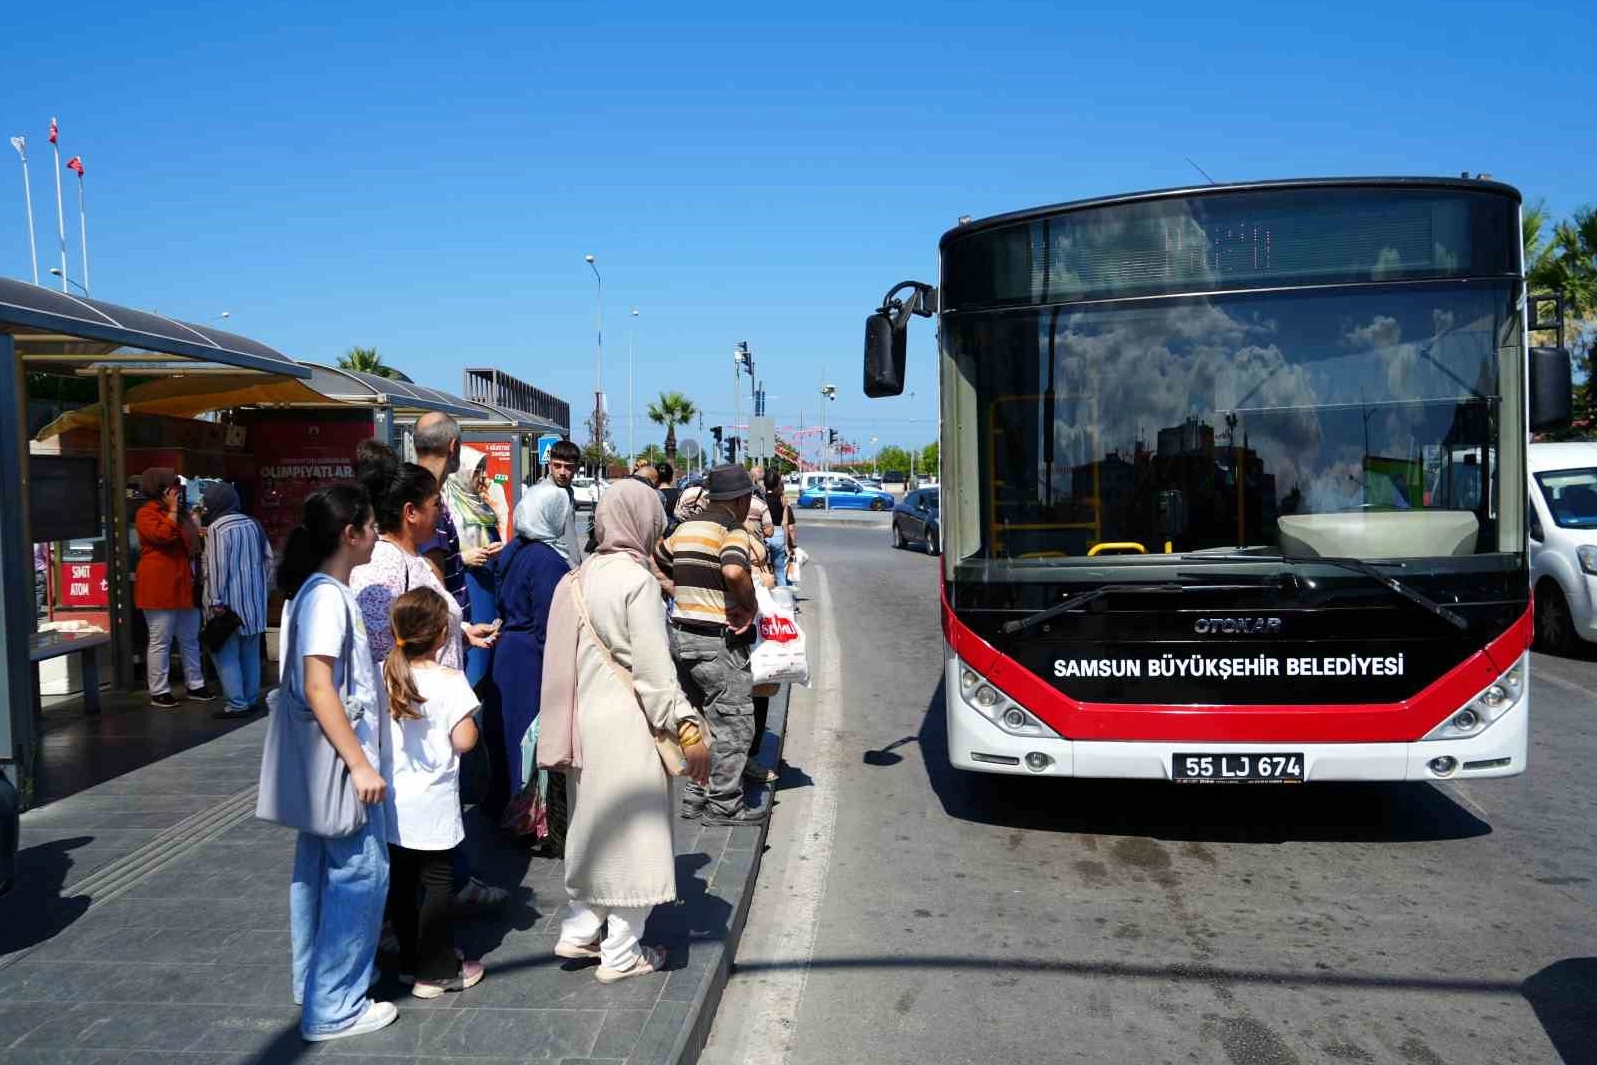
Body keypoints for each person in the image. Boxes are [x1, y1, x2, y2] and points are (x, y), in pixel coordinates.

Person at [545, 478, 711, 981]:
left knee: (596, 828)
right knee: (637, 837)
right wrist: (687, 729)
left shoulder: (577, 576)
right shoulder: (636, 581)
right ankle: (621, 953)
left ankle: (578, 931)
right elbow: (655, 674)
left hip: (584, 723)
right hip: (630, 724)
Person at [353, 445, 504, 912]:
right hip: (413, 719)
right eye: (435, 504)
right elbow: (384, 643)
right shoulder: (383, 565)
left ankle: (446, 887)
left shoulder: (412, 558)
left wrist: (461, 630)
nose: (442, 512)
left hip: (427, 713)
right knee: (419, 824)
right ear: (409, 512)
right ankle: (416, 918)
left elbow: (417, 618)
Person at [277, 484, 396, 1041]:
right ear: (350, 534)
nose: (377, 534)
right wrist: (360, 763)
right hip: (342, 765)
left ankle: (317, 988)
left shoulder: (311, 592)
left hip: (321, 767)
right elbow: (319, 683)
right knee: (360, 876)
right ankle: (336, 1003)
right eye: (371, 526)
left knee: (318, 877)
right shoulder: (328, 596)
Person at [383, 587, 487, 999]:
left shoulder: (382, 673)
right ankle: (437, 969)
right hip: (433, 804)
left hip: (391, 802)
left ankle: (410, 960)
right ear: (443, 633)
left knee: (403, 886)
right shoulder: (450, 680)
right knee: (439, 884)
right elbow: (464, 740)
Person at [654, 464, 764, 826]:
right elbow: (734, 571)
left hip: (680, 635)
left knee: (700, 721)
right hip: (716, 639)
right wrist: (749, 605)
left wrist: (679, 590)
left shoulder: (685, 528)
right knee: (734, 724)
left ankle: (694, 795)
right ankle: (724, 805)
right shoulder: (731, 530)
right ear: (740, 499)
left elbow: (660, 558)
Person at [483, 482, 575, 803]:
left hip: (508, 651)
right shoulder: (547, 560)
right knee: (528, 738)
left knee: (507, 736)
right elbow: (549, 622)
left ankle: (502, 804)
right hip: (532, 658)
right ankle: (524, 813)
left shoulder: (513, 548)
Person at [135, 467, 213, 707]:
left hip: (183, 583)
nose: (177, 491)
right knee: (162, 639)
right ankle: (159, 689)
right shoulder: (146, 514)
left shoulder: (182, 513)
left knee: (190, 637)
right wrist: (172, 510)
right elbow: (163, 536)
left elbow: (190, 542)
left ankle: (196, 684)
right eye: (172, 487)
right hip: (159, 584)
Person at [201, 482, 273, 718]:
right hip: (254, 602)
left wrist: (215, 600)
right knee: (250, 653)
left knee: (225, 654)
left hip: (228, 605)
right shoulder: (253, 524)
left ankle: (236, 703)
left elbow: (217, 566)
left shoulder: (217, 528)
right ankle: (250, 699)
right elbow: (268, 560)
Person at [445, 447, 505, 686]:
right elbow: (434, 555)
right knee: (471, 658)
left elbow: (493, 536)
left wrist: (497, 549)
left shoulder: (481, 505)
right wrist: (463, 558)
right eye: (476, 471)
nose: (482, 477)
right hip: (463, 589)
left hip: (487, 588)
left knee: (488, 650)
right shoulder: (447, 509)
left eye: (483, 470)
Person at [544, 439, 584, 565]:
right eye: (557, 465)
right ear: (549, 465)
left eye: (568, 467)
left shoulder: (567, 491)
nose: (562, 472)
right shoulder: (544, 494)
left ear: (576, 468)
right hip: (555, 569)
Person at [763, 468, 798, 587]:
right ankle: (784, 600)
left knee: (763, 570)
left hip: (764, 535)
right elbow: (786, 523)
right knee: (779, 571)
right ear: (778, 482)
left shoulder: (761, 499)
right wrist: (789, 544)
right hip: (778, 535)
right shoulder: (782, 500)